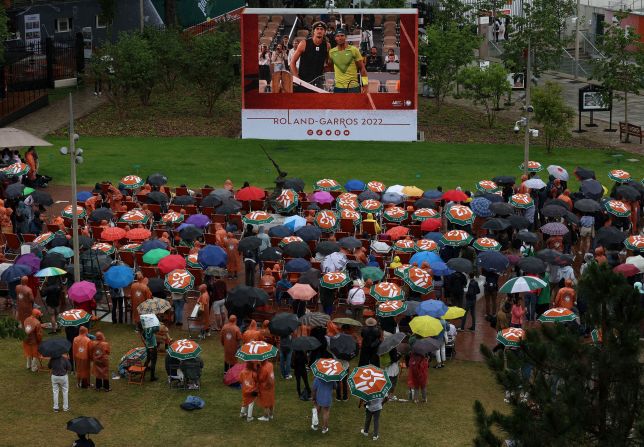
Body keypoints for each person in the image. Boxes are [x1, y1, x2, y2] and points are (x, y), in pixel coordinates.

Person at [290, 21, 331, 92]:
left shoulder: (327, 45)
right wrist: (297, 78)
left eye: (321, 29)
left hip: (318, 81)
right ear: (313, 31)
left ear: (325, 32)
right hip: (303, 80)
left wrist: (328, 78)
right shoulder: (304, 43)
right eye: (317, 29)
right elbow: (292, 62)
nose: (319, 31)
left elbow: (328, 64)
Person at [328, 29, 368, 93]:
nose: (340, 38)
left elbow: (362, 69)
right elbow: (331, 66)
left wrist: (365, 85)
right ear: (335, 38)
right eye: (338, 36)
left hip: (353, 87)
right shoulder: (331, 52)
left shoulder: (354, 50)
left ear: (346, 37)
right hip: (338, 88)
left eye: (342, 35)